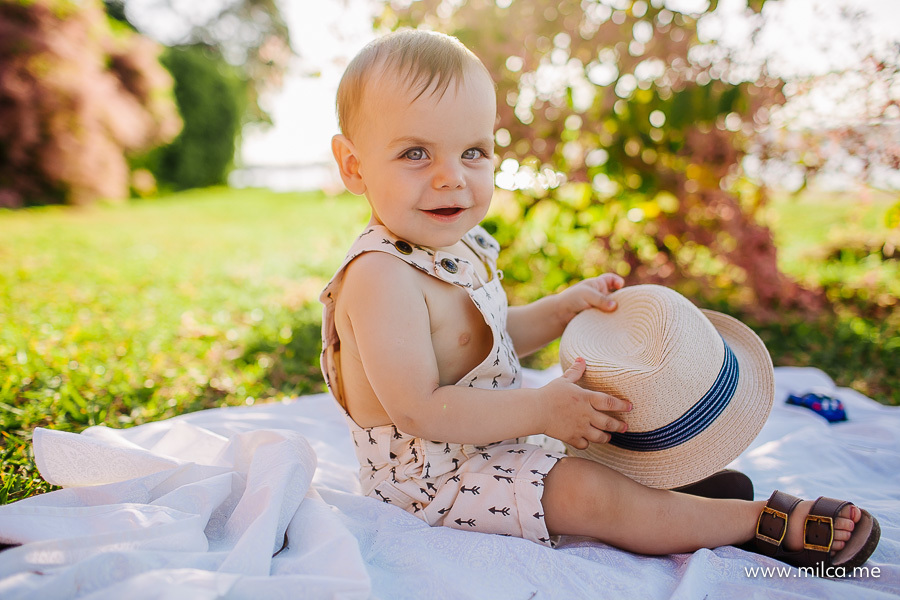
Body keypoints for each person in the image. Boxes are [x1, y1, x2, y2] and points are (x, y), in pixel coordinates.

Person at [319, 29, 879, 571]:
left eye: (472, 152)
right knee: (590, 494)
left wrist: (562, 309)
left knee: (597, 444)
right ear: (353, 165)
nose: (451, 178)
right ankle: (756, 523)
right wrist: (539, 408)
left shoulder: (457, 246)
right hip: (433, 485)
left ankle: (676, 499)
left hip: (492, 442)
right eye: (416, 153)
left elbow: (483, 340)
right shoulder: (380, 277)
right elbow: (418, 407)